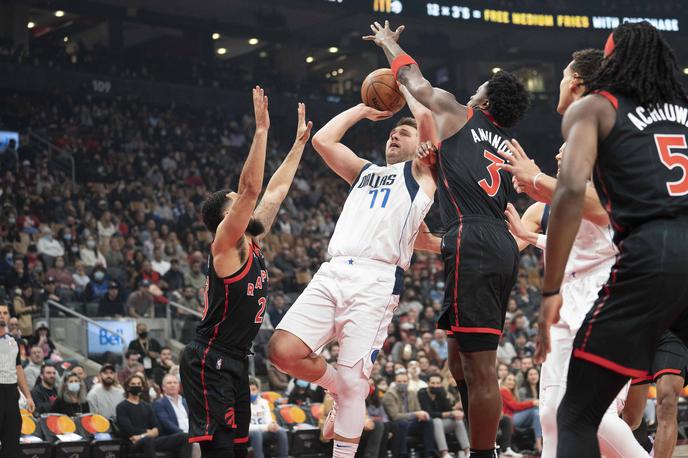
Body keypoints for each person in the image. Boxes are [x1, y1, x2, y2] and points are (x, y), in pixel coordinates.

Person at [364, 20, 531, 458]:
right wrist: (434, 159)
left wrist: (389, 45)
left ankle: (483, 453)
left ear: (486, 99)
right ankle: (484, 441)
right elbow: (464, 176)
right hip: (490, 239)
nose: (470, 92)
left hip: (474, 239)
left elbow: (414, 83)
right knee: (460, 360)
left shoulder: (463, 113)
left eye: (478, 89)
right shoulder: (502, 142)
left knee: (481, 368)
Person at [537, 22, 688, 458]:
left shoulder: (596, 108)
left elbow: (567, 195)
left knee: (576, 416)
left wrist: (550, 289)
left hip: (652, 252)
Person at [268, 77, 438, 458]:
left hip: (376, 281)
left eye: (404, 133)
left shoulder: (422, 172)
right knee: (282, 350)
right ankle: (336, 386)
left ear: (419, 145)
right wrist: (364, 109)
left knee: (354, 380)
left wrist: (403, 89)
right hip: (332, 271)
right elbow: (323, 141)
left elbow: (425, 114)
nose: (395, 135)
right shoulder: (365, 171)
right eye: (392, 132)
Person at [499, 48, 648, 458]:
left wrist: (540, 179)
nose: (559, 82)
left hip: (604, 291)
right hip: (570, 294)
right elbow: (583, 234)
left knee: (594, 414)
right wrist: (534, 232)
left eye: (564, 75)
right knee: (550, 410)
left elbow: (603, 209)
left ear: (578, 83)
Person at [180, 89, 311, 458]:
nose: (245, 203)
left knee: (240, 449)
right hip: (209, 357)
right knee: (220, 450)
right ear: (226, 218)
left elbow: (275, 191)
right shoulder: (226, 244)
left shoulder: (252, 238)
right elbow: (252, 188)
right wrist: (261, 130)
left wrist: (299, 145)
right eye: (237, 204)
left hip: (236, 358)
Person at [622, 331, 688, 458]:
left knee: (667, 404)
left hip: (672, 333)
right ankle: (647, 448)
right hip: (638, 332)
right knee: (631, 420)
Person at [117, 374, 191, 458]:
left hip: (149, 440)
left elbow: (157, 428)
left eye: (139, 384)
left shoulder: (147, 406)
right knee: (149, 440)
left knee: (185, 436)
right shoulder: (122, 407)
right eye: (133, 384)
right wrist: (149, 432)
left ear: (142, 387)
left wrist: (143, 435)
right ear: (127, 387)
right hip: (132, 443)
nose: (136, 386)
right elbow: (129, 430)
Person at [0, 303, 35, 458]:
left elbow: (18, 368)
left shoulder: (13, 341)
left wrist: (27, 396)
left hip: (11, 395)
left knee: (12, 446)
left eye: (5, 312)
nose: (2, 315)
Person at [381, 371, 435, 458]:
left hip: (410, 423)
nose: (402, 383)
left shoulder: (412, 393)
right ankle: (403, 454)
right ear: (395, 382)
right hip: (395, 425)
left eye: (404, 381)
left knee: (428, 422)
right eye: (399, 382)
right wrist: (415, 414)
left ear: (408, 382)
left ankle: (429, 453)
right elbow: (394, 416)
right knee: (402, 423)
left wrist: (422, 415)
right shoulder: (389, 395)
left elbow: (418, 410)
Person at [418, 374, 470, 458]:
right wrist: (450, 414)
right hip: (428, 424)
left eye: (438, 383)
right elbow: (429, 413)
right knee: (437, 421)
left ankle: (467, 451)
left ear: (441, 384)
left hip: (442, 423)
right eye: (433, 383)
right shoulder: (422, 393)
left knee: (458, 422)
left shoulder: (441, 392)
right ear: (428, 383)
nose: (435, 385)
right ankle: (444, 453)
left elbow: (448, 409)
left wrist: (455, 413)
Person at [499, 373, 542, 454]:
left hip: (514, 417)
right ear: (504, 381)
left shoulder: (511, 392)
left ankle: (538, 444)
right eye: (509, 379)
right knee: (534, 411)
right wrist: (532, 403)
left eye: (513, 380)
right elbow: (515, 406)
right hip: (509, 418)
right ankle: (538, 445)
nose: (511, 382)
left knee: (536, 413)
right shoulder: (503, 390)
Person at [247, 377, 288, 458]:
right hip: (249, 433)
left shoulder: (264, 402)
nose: (251, 393)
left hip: (263, 431)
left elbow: (268, 420)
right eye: (248, 390)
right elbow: (247, 427)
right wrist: (267, 426)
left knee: (281, 431)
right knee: (256, 433)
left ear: (258, 390)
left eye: (253, 389)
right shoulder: (241, 404)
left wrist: (273, 424)